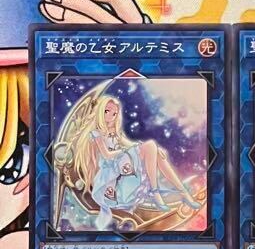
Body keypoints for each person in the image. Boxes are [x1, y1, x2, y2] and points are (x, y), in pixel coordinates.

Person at [69, 95, 201, 229]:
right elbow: (107, 155)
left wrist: (154, 151)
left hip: (123, 167)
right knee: (149, 147)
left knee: (155, 152)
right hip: (112, 177)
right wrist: (129, 151)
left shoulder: (114, 132)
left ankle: (184, 194)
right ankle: (157, 192)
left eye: (114, 114)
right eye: (107, 111)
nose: (110, 116)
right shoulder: (96, 133)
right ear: (100, 111)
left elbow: (130, 144)